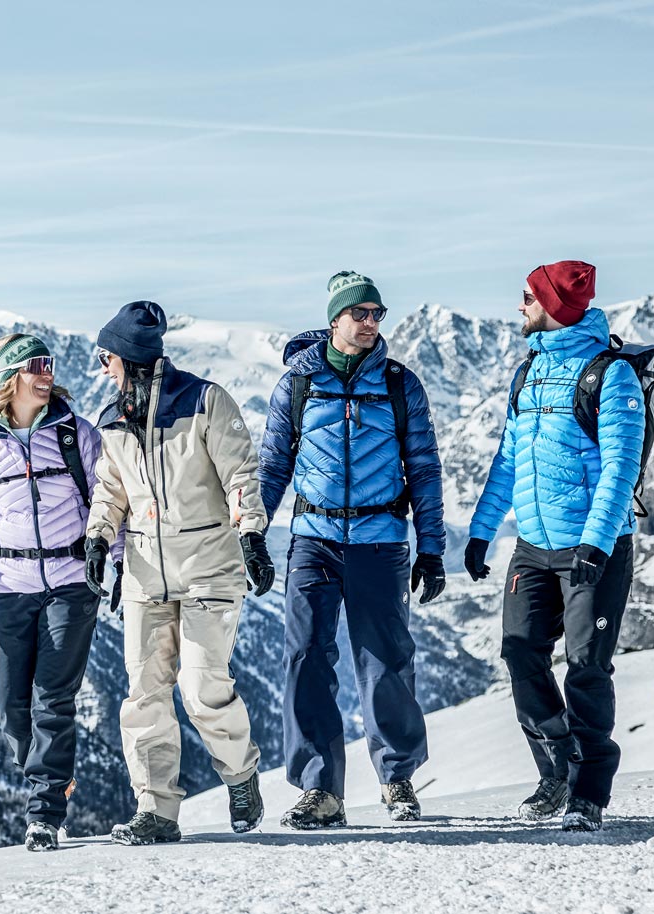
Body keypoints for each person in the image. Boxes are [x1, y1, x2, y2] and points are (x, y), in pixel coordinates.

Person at [256, 271, 447, 829]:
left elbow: (425, 469)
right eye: (359, 313)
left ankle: (398, 778)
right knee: (305, 659)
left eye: (376, 314)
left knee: (386, 661)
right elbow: (272, 467)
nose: (370, 323)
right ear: (334, 319)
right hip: (312, 541)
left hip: (380, 541)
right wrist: (251, 534)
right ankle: (320, 790)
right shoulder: (297, 384)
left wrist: (431, 549)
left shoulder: (399, 384)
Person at [82, 300, 274, 844]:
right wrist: (98, 539)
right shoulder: (112, 418)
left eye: (105, 358)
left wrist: (252, 535)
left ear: (126, 356)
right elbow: (111, 489)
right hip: (145, 574)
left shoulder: (205, 402)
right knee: (144, 694)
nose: (102, 368)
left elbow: (241, 473)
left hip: (209, 568)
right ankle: (156, 809)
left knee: (200, 685)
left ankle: (240, 773)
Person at [463, 260, 644, 832]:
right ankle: (557, 769)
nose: (519, 306)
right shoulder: (531, 371)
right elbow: (508, 458)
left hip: (593, 548)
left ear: (552, 306)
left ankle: (587, 793)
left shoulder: (610, 375)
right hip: (533, 548)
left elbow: (620, 467)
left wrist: (597, 542)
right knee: (520, 653)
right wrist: (481, 530)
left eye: (527, 297)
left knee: (586, 668)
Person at [0, 333, 102, 852]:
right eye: (35, 365)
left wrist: (115, 563)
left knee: (52, 697)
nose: (47, 373)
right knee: (9, 705)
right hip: (11, 587)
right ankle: (49, 775)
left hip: (71, 584)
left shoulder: (77, 434)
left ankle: (44, 813)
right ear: (11, 378)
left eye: (49, 363)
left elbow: (107, 504)